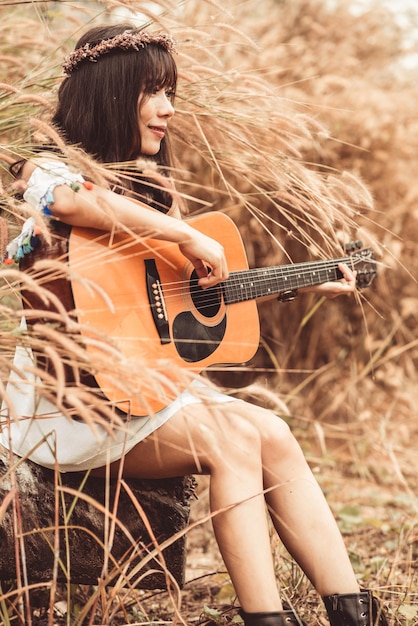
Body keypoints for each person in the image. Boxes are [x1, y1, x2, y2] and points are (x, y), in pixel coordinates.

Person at [0, 24, 389, 626]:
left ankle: (354, 612)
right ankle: (266, 617)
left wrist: (301, 279)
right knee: (230, 440)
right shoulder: (44, 169)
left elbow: (184, 307)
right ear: (111, 92)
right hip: (70, 409)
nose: (168, 109)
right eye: (154, 91)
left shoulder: (155, 186)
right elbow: (68, 200)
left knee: (273, 433)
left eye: (170, 92)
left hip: (136, 396)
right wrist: (184, 233)